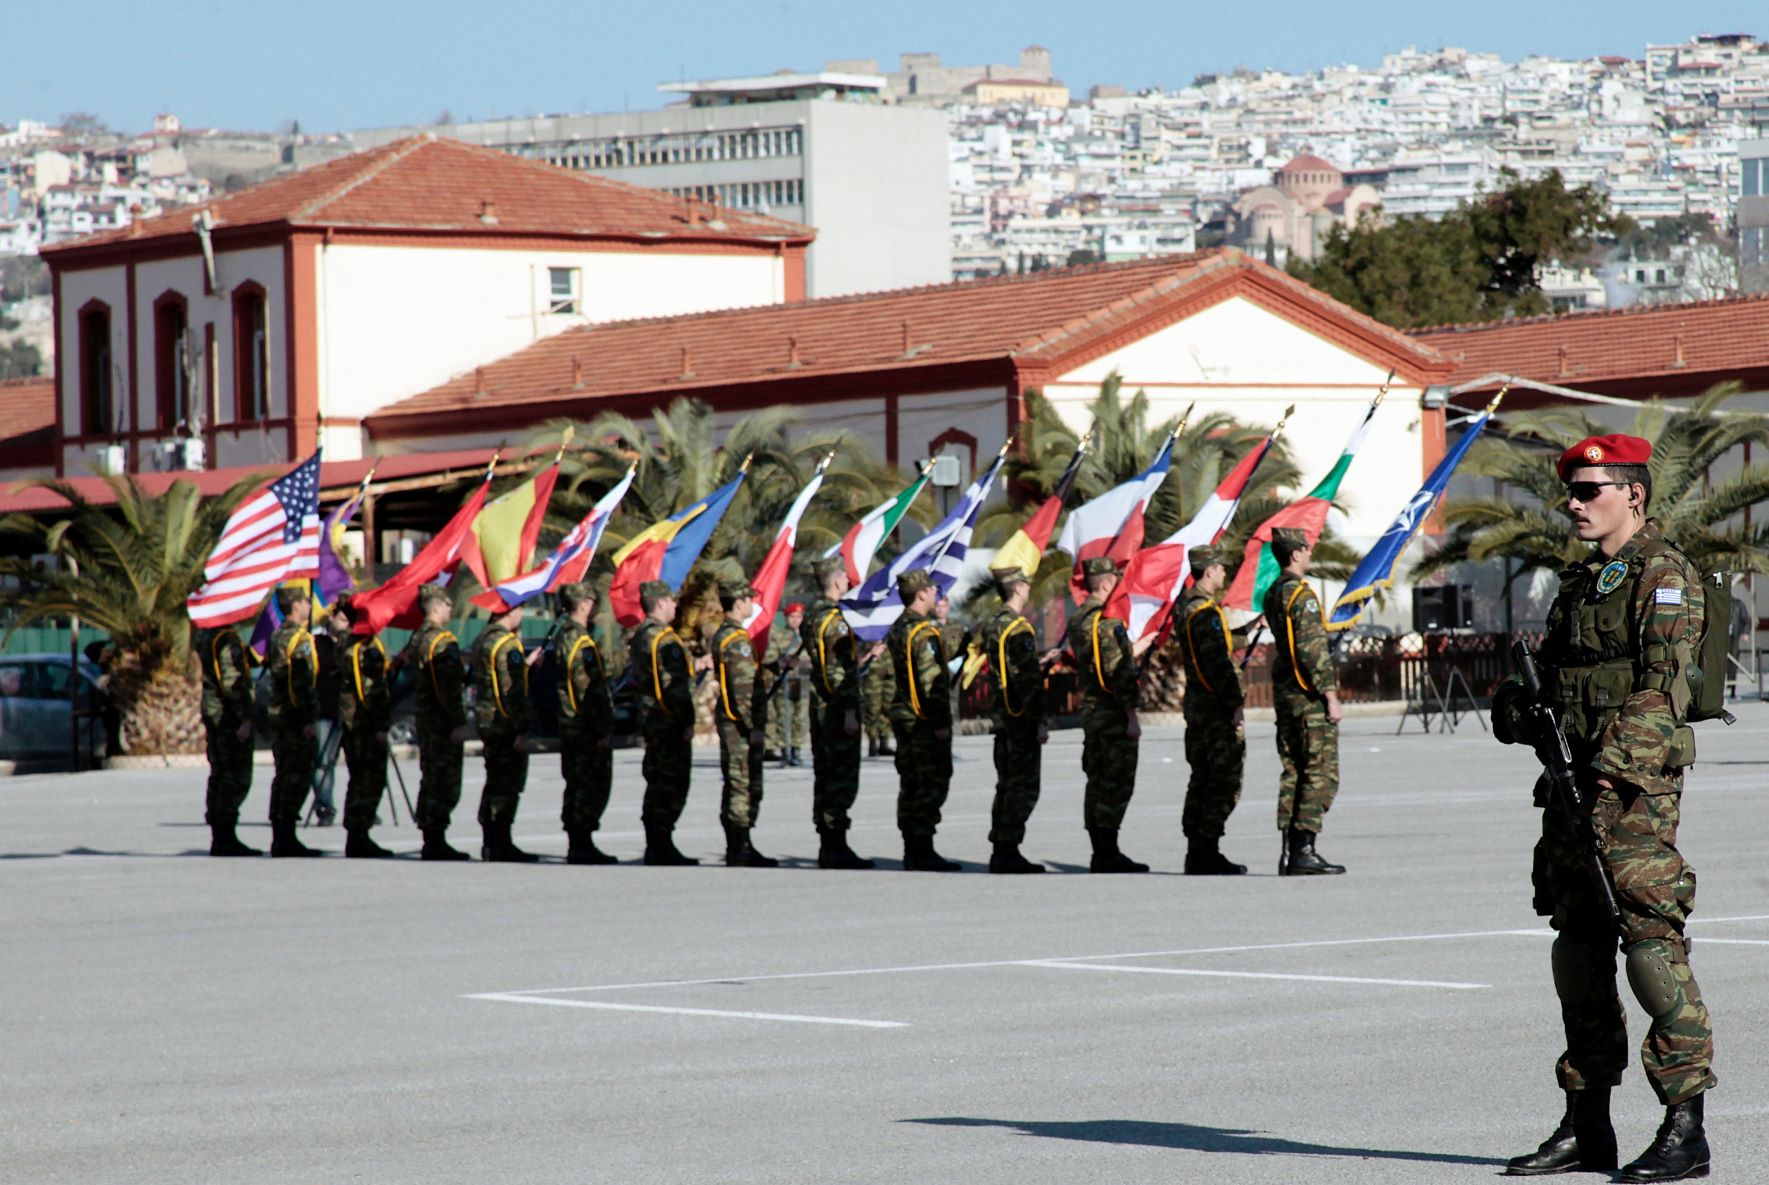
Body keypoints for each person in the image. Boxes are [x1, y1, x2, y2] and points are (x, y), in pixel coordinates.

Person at [1494, 434, 1714, 1182]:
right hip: (1568, 787)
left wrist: (1607, 768)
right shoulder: (1583, 581)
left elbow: (1665, 686)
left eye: (1590, 489)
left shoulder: (1663, 574)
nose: (1573, 502)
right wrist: (1519, 706)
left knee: (1650, 945)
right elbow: (1558, 678)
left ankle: (1685, 1126)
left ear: (1633, 494)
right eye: (1571, 490)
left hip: (1629, 793)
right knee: (1576, 948)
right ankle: (1586, 1122)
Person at [1262, 527, 1345, 876]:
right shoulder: (1301, 595)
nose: (1310, 554)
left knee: (1294, 771)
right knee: (1320, 772)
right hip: (1307, 697)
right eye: (1307, 549)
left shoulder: (1273, 592)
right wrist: (1330, 695)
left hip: (1286, 696)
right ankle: (1304, 850)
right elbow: (1312, 651)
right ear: (1295, 553)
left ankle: (1289, 850)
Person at [1065, 556, 1149, 873]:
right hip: (1112, 713)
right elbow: (1118, 673)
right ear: (1105, 583)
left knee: (1096, 781)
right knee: (1116, 782)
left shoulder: (1078, 621)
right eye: (1114, 580)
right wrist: (1132, 716)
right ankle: (1108, 851)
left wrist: (1133, 648)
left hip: (1092, 711)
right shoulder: (1108, 624)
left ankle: (1100, 849)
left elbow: (1096, 662)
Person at [1175, 546, 1248, 875]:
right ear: (1208, 571)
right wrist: (1234, 703)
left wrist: (1241, 634)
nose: (1223, 574)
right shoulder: (1205, 612)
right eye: (1220, 569)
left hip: (1197, 705)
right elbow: (1216, 662)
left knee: (1201, 776)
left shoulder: (1187, 607)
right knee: (1224, 777)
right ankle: (1207, 849)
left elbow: (1210, 645)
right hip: (1214, 707)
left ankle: (1197, 849)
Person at [800, 558, 873, 869]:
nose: (849, 580)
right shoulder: (834, 620)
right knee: (840, 777)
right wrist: (849, 711)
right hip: (836, 708)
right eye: (845, 576)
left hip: (820, 705)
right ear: (836, 582)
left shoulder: (811, 617)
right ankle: (836, 846)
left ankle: (828, 844)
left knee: (825, 774)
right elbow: (840, 672)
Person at [886, 569, 958, 872]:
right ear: (921, 594)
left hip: (905, 713)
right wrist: (940, 721)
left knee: (910, 780)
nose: (935, 594)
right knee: (932, 779)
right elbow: (932, 682)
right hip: (924, 718)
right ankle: (922, 847)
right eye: (931, 590)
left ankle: (911, 848)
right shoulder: (923, 633)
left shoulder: (899, 628)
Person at [979, 566, 1048, 874]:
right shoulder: (1018, 629)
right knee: (1023, 786)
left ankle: (1001, 848)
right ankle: (1008, 850)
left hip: (1003, 718)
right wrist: (1039, 720)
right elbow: (1027, 681)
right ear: (1019, 588)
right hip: (1019, 720)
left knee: (1005, 785)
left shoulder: (994, 624)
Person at [630, 580, 697, 865]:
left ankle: (656, 842)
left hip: (652, 720)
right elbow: (673, 687)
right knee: (671, 783)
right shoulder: (664, 639)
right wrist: (686, 720)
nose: (675, 605)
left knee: (656, 780)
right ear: (660, 603)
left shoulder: (642, 635)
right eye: (671, 601)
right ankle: (661, 843)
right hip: (668, 722)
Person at [711, 584, 778, 867]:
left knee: (737, 782)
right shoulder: (736, 639)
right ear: (738, 603)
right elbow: (742, 691)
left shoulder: (725, 635)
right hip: (740, 726)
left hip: (733, 723)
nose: (752, 603)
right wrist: (755, 727)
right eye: (748, 598)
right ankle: (740, 847)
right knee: (743, 784)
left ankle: (739, 845)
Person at [408, 583, 471, 861]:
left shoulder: (419, 637)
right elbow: (448, 688)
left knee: (430, 776)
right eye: (446, 605)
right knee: (445, 780)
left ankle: (430, 836)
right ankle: (436, 838)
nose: (449, 609)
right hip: (442, 722)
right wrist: (458, 722)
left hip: (426, 720)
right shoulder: (441, 640)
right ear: (435, 607)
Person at [555, 583, 617, 864]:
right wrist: (600, 729)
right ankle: (582, 843)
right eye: (593, 600)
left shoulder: (566, 636)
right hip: (585, 729)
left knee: (575, 782)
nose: (596, 606)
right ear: (582, 604)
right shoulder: (580, 642)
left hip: (572, 726)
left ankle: (577, 841)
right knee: (590, 784)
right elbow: (586, 690)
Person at [472, 601, 536, 862]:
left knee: (495, 780)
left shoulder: (483, 639)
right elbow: (512, 692)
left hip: (490, 721)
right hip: (506, 724)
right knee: (506, 784)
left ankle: (492, 841)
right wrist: (521, 728)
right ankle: (500, 841)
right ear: (509, 611)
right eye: (520, 609)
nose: (521, 614)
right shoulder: (506, 644)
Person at [332, 595, 393, 859]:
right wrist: (380, 725)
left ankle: (357, 834)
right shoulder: (362, 648)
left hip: (355, 724)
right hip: (364, 726)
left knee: (360, 779)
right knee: (368, 780)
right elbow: (370, 691)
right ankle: (359, 835)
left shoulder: (352, 644)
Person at [265, 584, 322, 857]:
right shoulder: (299, 639)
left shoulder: (278, 636)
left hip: (281, 715)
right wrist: (307, 718)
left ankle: (281, 834)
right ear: (296, 606)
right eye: (307, 602)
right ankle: (286, 836)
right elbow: (300, 682)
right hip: (295, 718)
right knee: (297, 775)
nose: (310, 606)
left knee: (284, 774)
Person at [197, 621, 259, 856]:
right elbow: (233, 682)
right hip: (228, 717)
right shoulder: (226, 638)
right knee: (235, 776)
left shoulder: (207, 636)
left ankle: (220, 834)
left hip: (216, 713)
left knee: (220, 773)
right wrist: (245, 717)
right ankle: (225, 835)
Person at [763, 603, 808, 766]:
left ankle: (796, 747)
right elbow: (771, 657)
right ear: (786, 618)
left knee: (801, 716)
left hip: (802, 679)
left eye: (799, 617)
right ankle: (784, 748)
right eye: (792, 617)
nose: (796, 620)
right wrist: (782, 661)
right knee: (784, 714)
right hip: (785, 680)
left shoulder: (806, 636)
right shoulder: (778, 635)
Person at [863, 649, 895, 758]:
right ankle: (872, 743)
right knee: (873, 708)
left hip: (890, 670)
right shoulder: (867, 632)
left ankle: (884, 743)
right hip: (873, 671)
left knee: (887, 707)